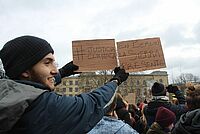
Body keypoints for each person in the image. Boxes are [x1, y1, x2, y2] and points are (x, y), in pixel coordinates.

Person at [0, 35, 129, 134]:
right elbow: (92, 104)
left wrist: (64, 72)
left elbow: (36, 83)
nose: (55, 69)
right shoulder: (42, 105)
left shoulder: (9, 91)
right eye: (47, 63)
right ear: (24, 71)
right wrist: (116, 80)